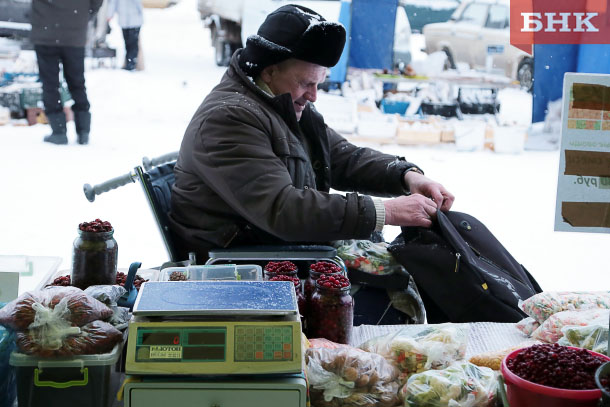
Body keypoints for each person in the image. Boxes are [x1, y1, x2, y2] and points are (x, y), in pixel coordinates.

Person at [169, 4, 454, 263]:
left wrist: (405, 175)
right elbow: (283, 209)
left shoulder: (282, 104)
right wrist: (386, 211)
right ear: (269, 72)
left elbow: (343, 157)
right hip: (241, 266)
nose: (314, 96)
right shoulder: (229, 119)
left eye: (319, 83)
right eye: (306, 83)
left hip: (279, 251)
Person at [30, 0, 102, 145]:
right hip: (74, 33)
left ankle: (58, 131)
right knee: (77, 82)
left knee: (50, 83)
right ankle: (83, 131)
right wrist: (83, 14)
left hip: (46, 31)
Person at [106, 0, 144, 71]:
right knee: (127, 43)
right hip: (124, 21)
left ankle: (131, 64)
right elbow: (113, 4)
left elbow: (139, 5)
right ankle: (128, 62)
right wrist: (109, 15)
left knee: (133, 44)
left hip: (135, 21)